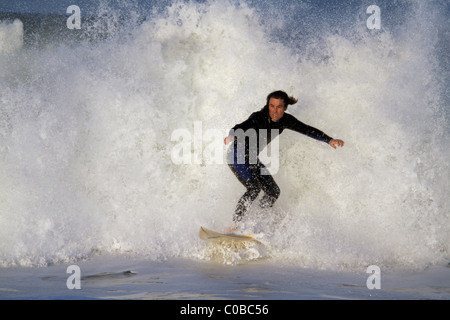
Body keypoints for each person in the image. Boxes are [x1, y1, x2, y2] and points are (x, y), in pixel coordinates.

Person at [224, 90, 344, 223]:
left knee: (273, 192)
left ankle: (256, 221)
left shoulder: (286, 121)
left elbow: (307, 129)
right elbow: (242, 126)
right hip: (237, 155)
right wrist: (233, 134)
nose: (274, 111)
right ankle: (235, 225)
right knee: (254, 188)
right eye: (272, 106)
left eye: (279, 107)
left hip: (251, 158)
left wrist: (329, 140)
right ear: (268, 105)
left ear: (285, 107)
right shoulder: (258, 117)